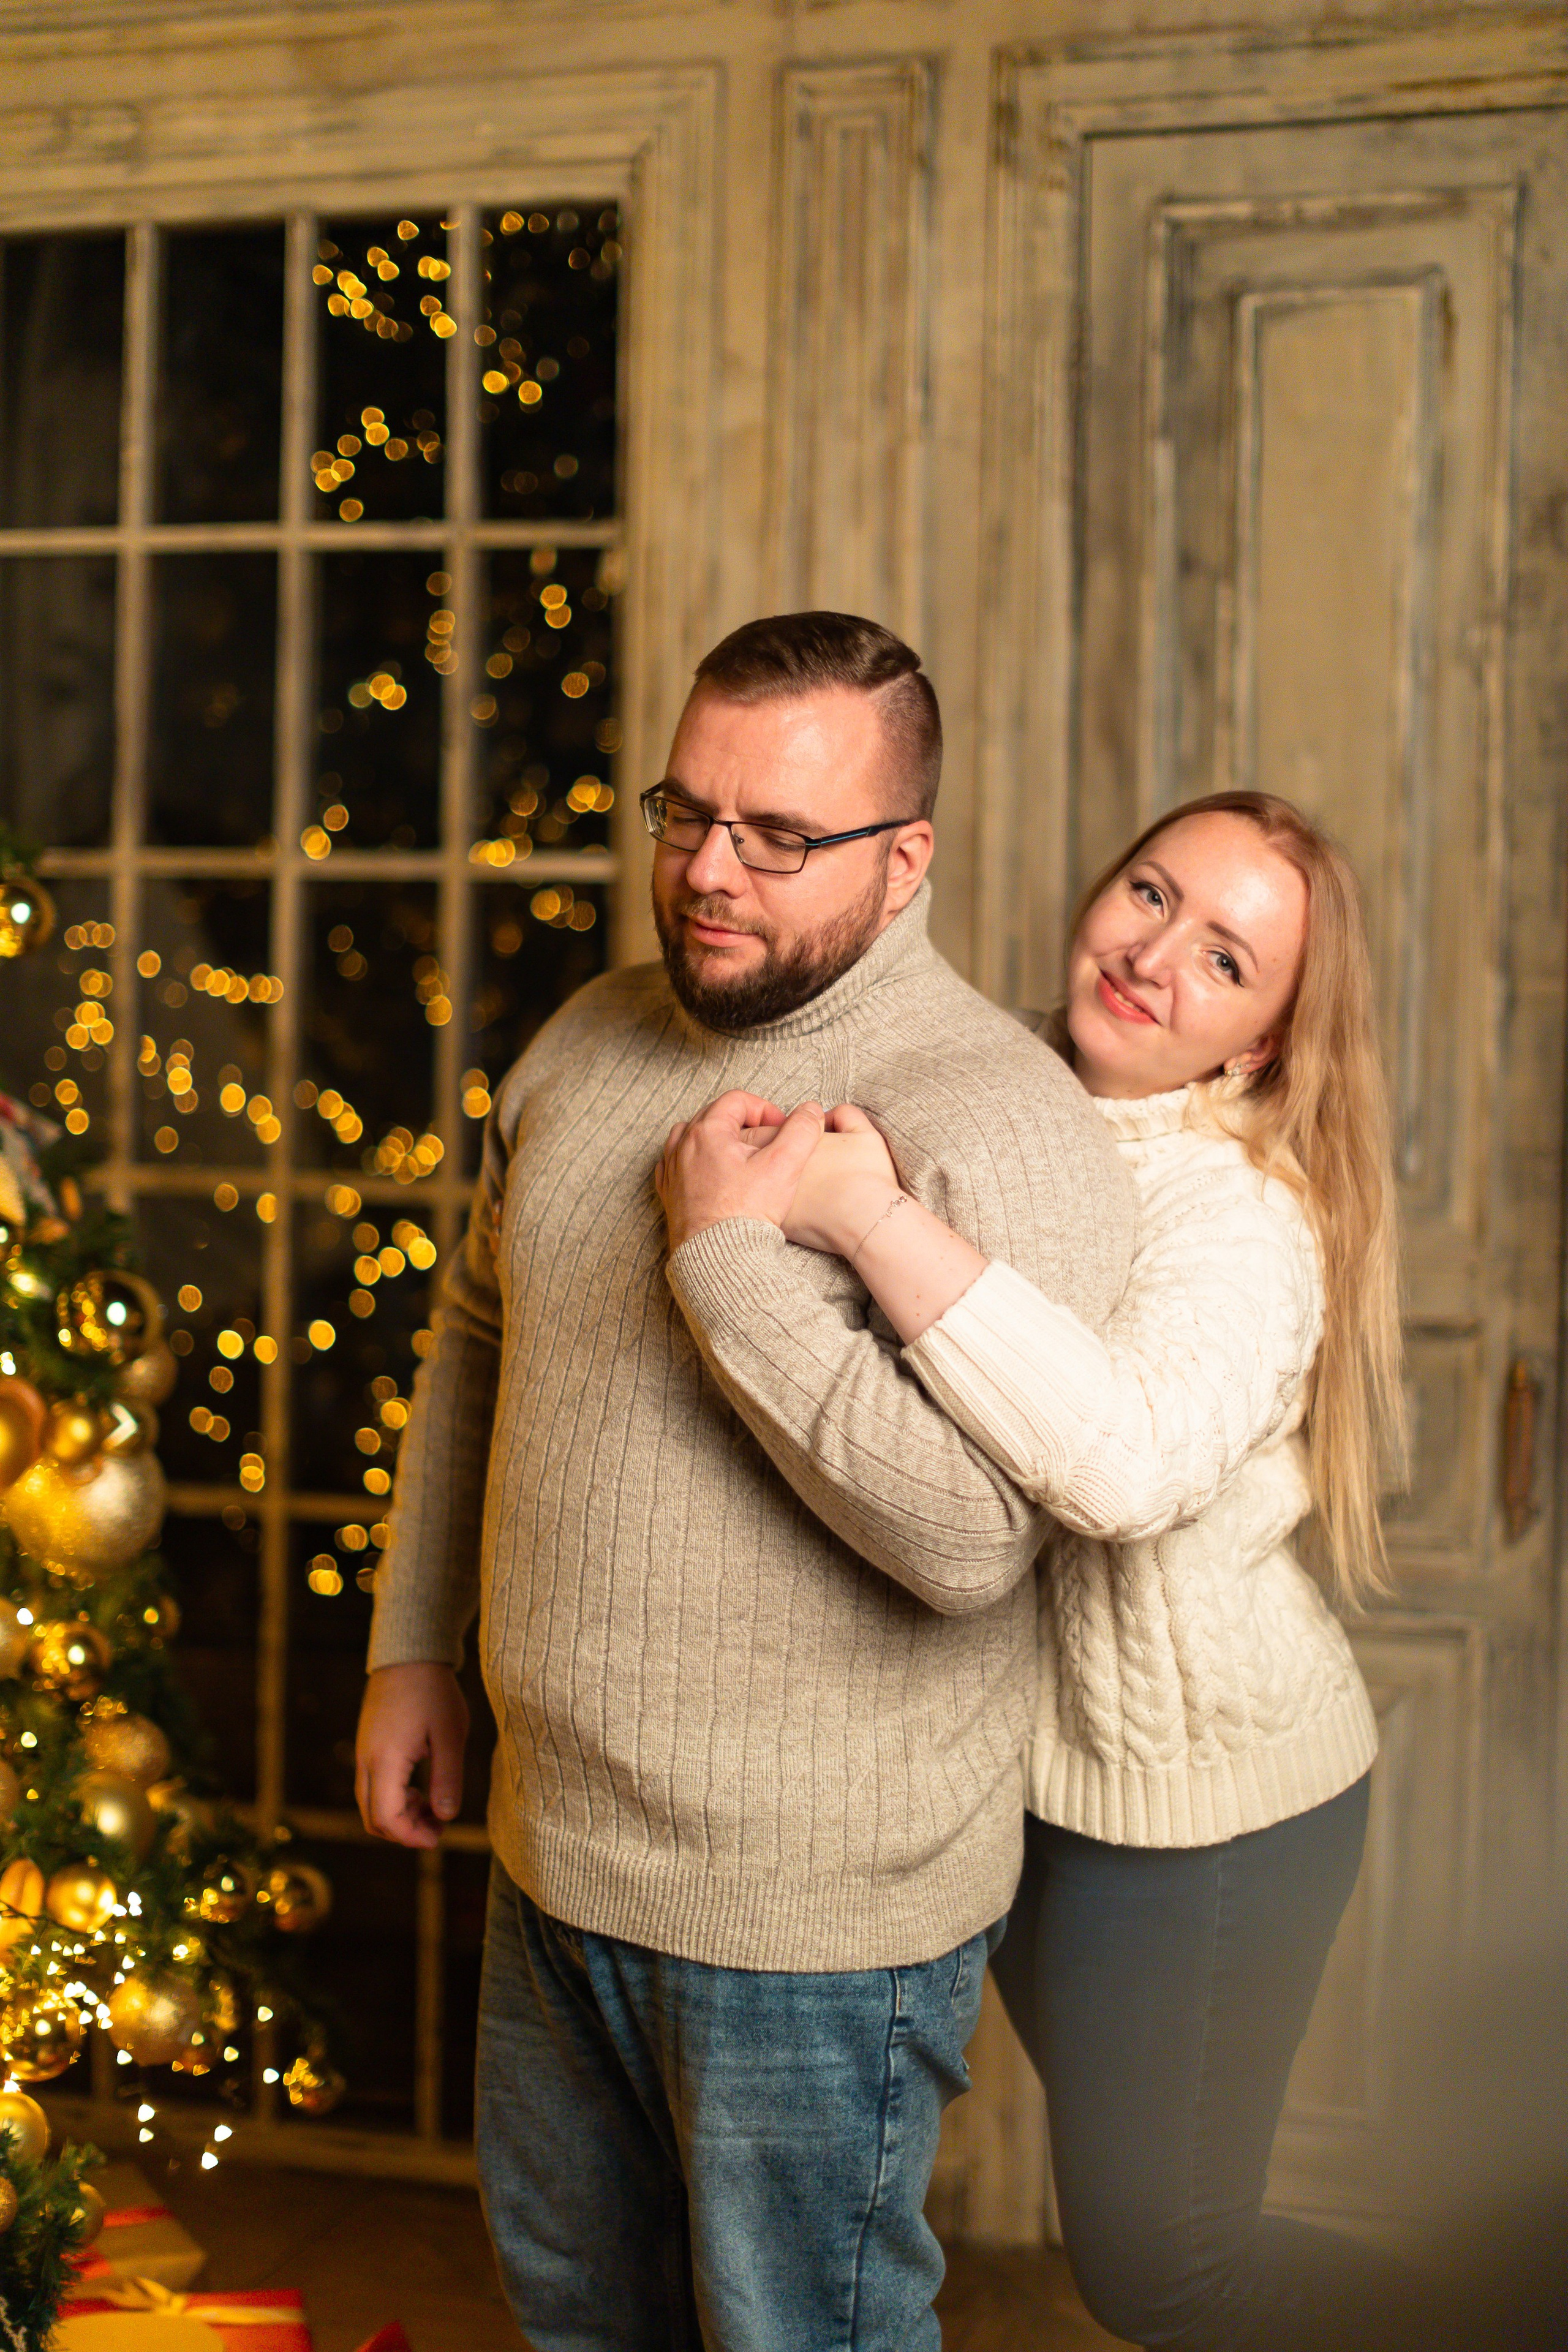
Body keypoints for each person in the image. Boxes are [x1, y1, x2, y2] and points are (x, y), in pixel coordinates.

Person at [355, 610, 1135, 2352]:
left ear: (904, 856)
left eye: (780, 837)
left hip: (810, 1928)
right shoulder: (587, 1039)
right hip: (552, 1862)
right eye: (685, 813)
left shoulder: (1000, 1121)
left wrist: (728, 1261)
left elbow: (969, 1544)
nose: (710, 872)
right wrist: (416, 1645)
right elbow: (480, 1342)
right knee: (580, 2324)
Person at [664, 790, 1419, 2351]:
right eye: (1148, 893)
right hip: (1023, 1789)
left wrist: (867, 1214)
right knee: (1154, 2213)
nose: (1151, 955)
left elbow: (1120, 1468)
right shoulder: (995, 1084)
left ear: (1260, 1043)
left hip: (1204, 1813)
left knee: (1165, 2266)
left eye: (1222, 960)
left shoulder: (1239, 1215)